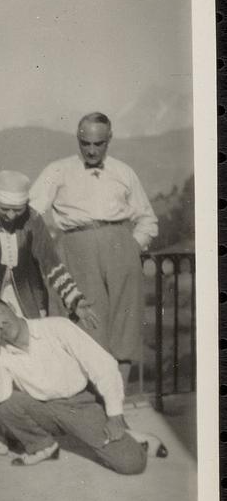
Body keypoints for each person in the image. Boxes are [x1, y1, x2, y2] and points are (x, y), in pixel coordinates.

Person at [0, 169, 98, 454]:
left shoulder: (34, 221)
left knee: (24, 365)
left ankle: (23, 426)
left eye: (18, 210)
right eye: (5, 209)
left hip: (24, 301)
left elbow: (52, 265)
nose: (11, 216)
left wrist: (75, 299)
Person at [29, 112, 159, 390]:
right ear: (78, 139)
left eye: (98, 144)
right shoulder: (58, 170)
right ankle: (93, 407)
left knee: (125, 328)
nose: (90, 150)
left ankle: (116, 407)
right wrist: (51, 250)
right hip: (77, 250)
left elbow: (147, 219)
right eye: (84, 143)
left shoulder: (124, 172)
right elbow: (32, 214)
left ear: (109, 140)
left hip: (121, 248)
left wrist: (131, 248)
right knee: (87, 328)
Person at [0, 298, 147, 474]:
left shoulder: (56, 327)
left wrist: (115, 415)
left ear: (11, 307)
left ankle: (132, 437)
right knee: (0, 405)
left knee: (131, 463)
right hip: (44, 409)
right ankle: (42, 446)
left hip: (80, 406)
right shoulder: (0, 352)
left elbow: (103, 366)